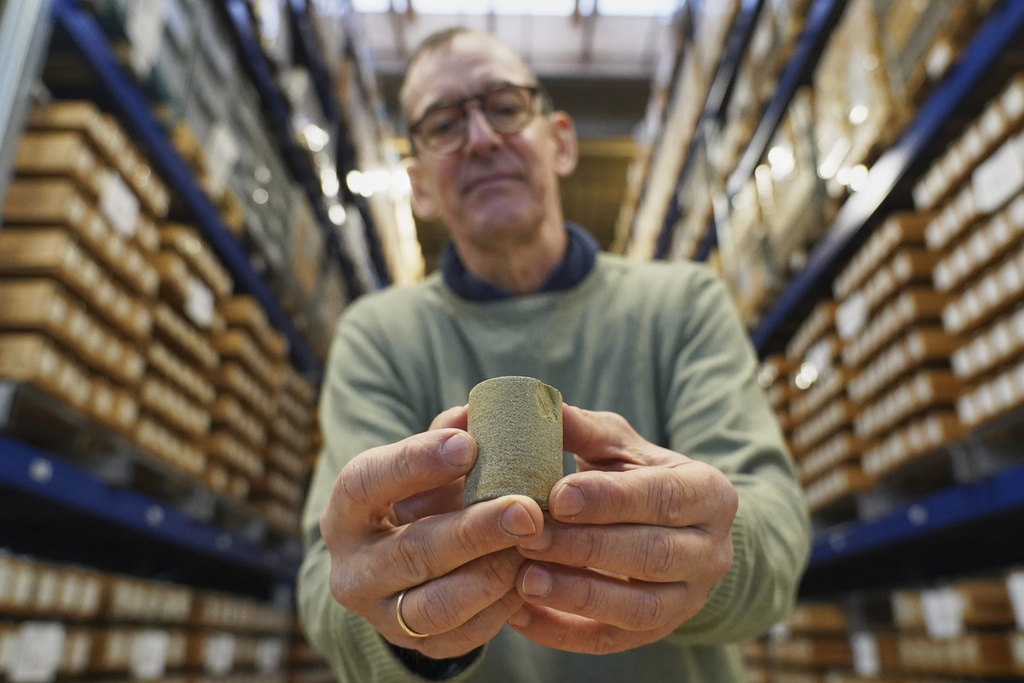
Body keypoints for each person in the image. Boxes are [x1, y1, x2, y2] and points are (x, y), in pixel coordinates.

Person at [298, 26, 810, 682]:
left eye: (506, 107)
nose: (481, 138)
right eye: (444, 124)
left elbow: (778, 533)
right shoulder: (378, 333)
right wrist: (409, 625)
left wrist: (712, 553)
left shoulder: (683, 302)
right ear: (417, 183)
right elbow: (327, 579)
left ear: (560, 139)